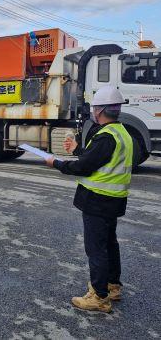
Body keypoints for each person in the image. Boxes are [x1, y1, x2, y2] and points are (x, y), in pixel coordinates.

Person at [46, 86, 133, 313]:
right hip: (113, 200)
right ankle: (113, 287)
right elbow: (98, 159)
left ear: (101, 110)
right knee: (109, 244)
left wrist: (56, 163)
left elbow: (84, 167)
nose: (93, 111)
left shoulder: (105, 136)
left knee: (96, 248)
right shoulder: (121, 132)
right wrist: (77, 149)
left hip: (98, 201)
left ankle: (99, 296)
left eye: (95, 107)